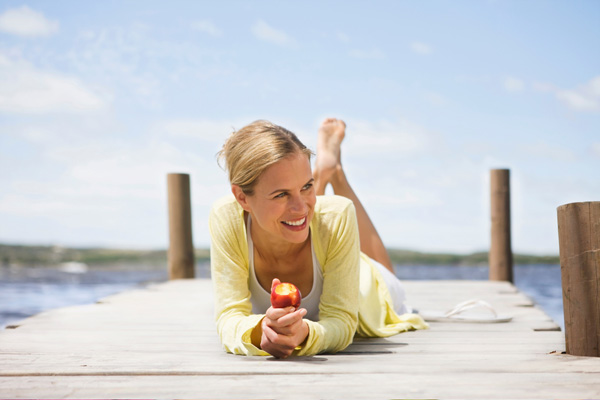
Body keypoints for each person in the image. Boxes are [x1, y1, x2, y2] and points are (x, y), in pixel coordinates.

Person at [209, 118, 427, 358]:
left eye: (307, 186)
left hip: (367, 285)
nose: (300, 207)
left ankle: (335, 175)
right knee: (308, 217)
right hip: (325, 242)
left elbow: (342, 321)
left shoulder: (339, 214)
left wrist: (306, 335)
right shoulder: (226, 217)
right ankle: (326, 172)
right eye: (281, 194)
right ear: (242, 198)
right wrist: (260, 332)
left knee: (382, 270)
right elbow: (229, 317)